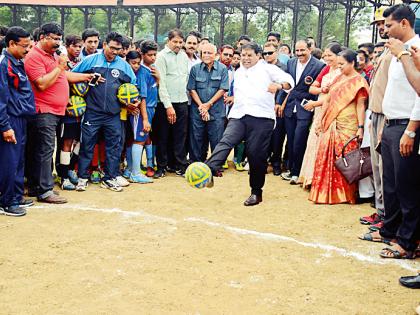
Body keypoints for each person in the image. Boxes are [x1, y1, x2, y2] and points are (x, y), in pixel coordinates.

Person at [205, 42, 294, 206]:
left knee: (255, 155)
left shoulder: (268, 68)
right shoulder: (238, 72)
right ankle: (208, 170)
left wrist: (279, 86)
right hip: (239, 115)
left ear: (258, 56)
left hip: (262, 118)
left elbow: (289, 81)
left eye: (249, 55)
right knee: (226, 140)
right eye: (243, 55)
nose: (245, 58)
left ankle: (256, 192)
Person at [367, 4, 420, 259]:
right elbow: (392, 91)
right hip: (390, 125)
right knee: (391, 185)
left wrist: (410, 130)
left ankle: (407, 242)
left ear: (404, 24)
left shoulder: (414, 49)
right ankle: (390, 231)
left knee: (407, 188)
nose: (384, 30)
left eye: (388, 25)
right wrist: (384, 126)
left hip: (407, 126)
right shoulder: (396, 50)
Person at [24, 22, 92, 203]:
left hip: (56, 110)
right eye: (53, 39)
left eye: (58, 39)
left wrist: (86, 77)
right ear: (42, 38)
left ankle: (35, 186)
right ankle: (45, 191)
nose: (57, 42)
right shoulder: (34, 57)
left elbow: (63, 77)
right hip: (43, 111)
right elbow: (42, 83)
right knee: (45, 150)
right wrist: (61, 66)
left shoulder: (53, 55)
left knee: (41, 149)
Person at [72, 31, 137, 192]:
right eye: (112, 48)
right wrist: (86, 78)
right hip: (92, 112)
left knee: (114, 147)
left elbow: (134, 87)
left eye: (118, 49)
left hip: (114, 114)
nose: (115, 52)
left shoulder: (124, 66)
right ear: (105, 45)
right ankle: (82, 177)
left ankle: (109, 177)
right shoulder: (90, 60)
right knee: (87, 145)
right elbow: (72, 75)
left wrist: (132, 102)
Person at [309, 49, 369, 204]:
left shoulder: (359, 82)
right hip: (331, 121)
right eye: (339, 64)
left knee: (344, 157)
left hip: (348, 125)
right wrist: (321, 119)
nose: (340, 67)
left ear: (352, 63)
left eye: (342, 64)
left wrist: (360, 128)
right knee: (327, 154)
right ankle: (325, 192)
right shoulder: (339, 78)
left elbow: (360, 106)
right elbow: (328, 99)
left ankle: (344, 194)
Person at [358, 7, 391, 230]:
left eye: (385, 23)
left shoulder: (405, 51)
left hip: (390, 118)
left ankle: (388, 217)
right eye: (379, 24)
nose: (381, 27)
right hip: (376, 114)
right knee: (378, 169)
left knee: (388, 172)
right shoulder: (387, 51)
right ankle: (382, 212)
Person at [279, 39, 325, 184]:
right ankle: (291, 170)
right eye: (297, 51)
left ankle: (298, 171)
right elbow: (286, 84)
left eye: (302, 50)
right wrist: (280, 102)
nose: (299, 54)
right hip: (290, 107)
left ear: (309, 49)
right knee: (291, 139)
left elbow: (317, 90)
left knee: (300, 139)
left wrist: (313, 104)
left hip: (306, 108)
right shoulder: (291, 63)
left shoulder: (319, 65)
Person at [0, 26, 35, 216]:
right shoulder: (3, 64)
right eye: (24, 46)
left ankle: (16, 195)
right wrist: (5, 126)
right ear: (12, 44)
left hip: (21, 119)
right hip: (10, 120)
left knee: (19, 160)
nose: (28, 50)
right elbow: (0, 98)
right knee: (9, 161)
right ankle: (6, 202)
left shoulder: (17, 62)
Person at [298, 43, 343, 188]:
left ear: (339, 56)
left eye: (330, 55)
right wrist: (322, 89)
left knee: (327, 145)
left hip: (332, 112)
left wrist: (315, 103)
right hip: (319, 109)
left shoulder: (342, 72)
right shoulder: (326, 69)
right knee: (314, 142)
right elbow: (311, 88)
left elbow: (336, 96)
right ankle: (311, 178)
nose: (326, 57)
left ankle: (324, 181)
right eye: (325, 55)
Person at [154, 29, 189, 178]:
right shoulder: (161, 57)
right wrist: (168, 106)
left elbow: (185, 78)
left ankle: (179, 165)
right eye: (175, 42)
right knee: (163, 136)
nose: (178, 45)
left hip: (182, 101)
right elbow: (161, 83)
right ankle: (161, 167)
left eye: (181, 42)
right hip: (165, 104)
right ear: (168, 41)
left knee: (180, 136)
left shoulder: (184, 56)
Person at [188, 43, 229, 162]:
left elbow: (223, 89)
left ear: (216, 55)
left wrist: (208, 104)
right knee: (197, 140)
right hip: (198, 112)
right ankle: (196, 165)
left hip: (216, 112)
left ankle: (215, 166)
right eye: (204, 53)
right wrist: (202, 106)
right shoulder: (195, 69)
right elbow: (192, 89)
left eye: (209, 53)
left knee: (216, 140)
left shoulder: (222, 69)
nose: (206, 55)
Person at [264, 42, 288, 175]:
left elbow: (288, 88)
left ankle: (276, 163)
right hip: (263, 108)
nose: (267, 55)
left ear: (277, 53)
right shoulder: (259, 68)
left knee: (277, 137)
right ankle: (262, 163)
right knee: (262, 137)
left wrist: (281, 103)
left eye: (270, 53)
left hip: (278, 107)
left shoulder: (284, 68)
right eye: (265, 53)